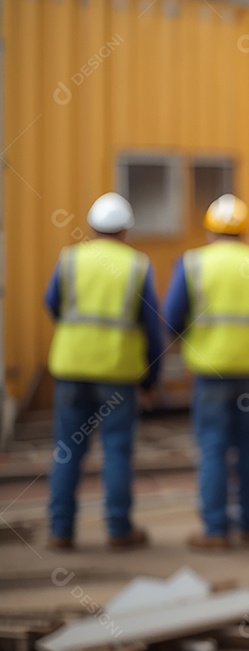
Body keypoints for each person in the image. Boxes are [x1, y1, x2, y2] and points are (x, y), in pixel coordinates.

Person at [163, 194, 249, 551]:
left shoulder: (194, 263)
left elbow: (171, 317)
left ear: (209, 231)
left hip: (210, 370)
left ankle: (216, 530)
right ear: (244, 231)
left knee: (214, 448)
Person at [44, 192, 163, 551]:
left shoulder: (70, 259)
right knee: (117, 452)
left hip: (71, 368)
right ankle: (118, 529)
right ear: (125, 230)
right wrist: (151, 380)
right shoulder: (137, 265)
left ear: (92, 228)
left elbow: (52, 304)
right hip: (117, 372)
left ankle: (60, 531)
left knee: (67, 450)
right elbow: (151, 328)